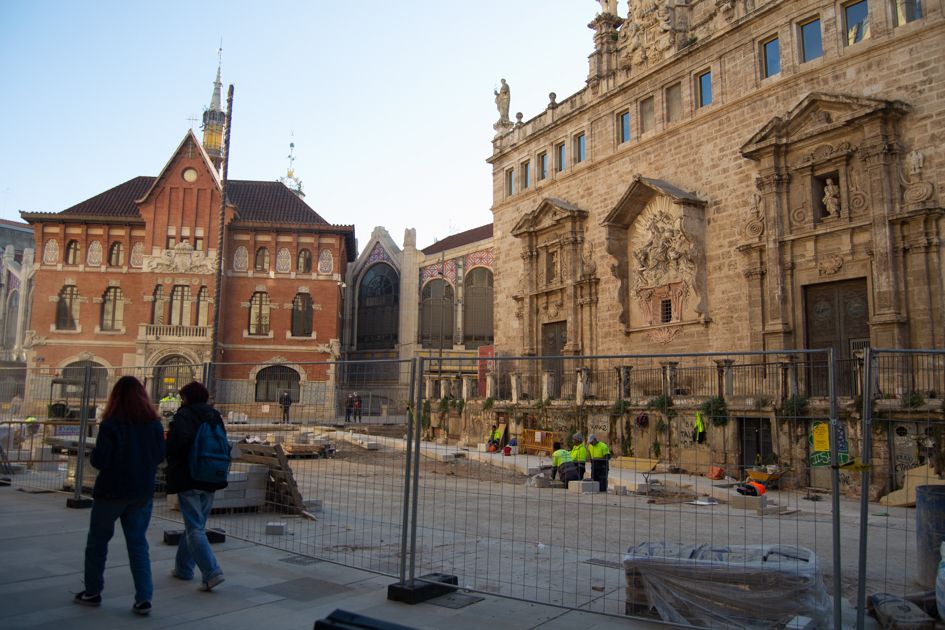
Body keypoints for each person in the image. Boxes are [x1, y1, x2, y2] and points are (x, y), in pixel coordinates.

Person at [75, 376, 165, 615]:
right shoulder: (154, 424)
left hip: (111, 491)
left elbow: (100, 460)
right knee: (138, 544)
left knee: (97, 543)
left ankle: (92, 592)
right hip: (142, 492)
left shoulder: (111, 424)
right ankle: (144, 598)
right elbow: (159, 457)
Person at [165, 381, 228, 592]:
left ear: (188, 398)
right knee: (195, 525)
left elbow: (176, 446)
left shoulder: (184, 416)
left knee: (194, 528)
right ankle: (183, 568)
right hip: (211, 474)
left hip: (190, 476)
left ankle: (212, 572)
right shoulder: (215, 415)